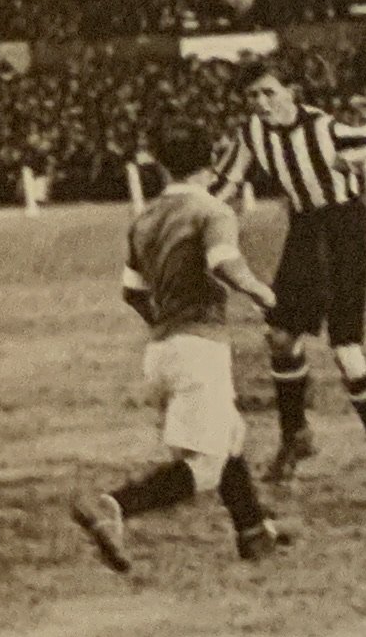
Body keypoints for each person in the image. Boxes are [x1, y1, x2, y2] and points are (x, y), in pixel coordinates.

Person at [207, 65, 366, 501]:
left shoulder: (326, 128)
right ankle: (296, 437)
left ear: (291, 91)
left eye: (268, 93)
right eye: (253, 97)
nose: (261, 104)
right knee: (281, 337)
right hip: (304, 233)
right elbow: (224, 183)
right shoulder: (252, 134)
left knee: (347, 352)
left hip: (346, 233)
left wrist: (360, 157)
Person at [74, 154, 292, 569]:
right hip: (199, 348)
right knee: (206, 466)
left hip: (161, 352)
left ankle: (253, 531)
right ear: (209, 169)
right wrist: (263, 294)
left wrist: (166, 323)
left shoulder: (146, 218)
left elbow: (132, 291)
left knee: (229, 435)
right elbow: (222, 262)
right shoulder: (211, 211)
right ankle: (112, 506)